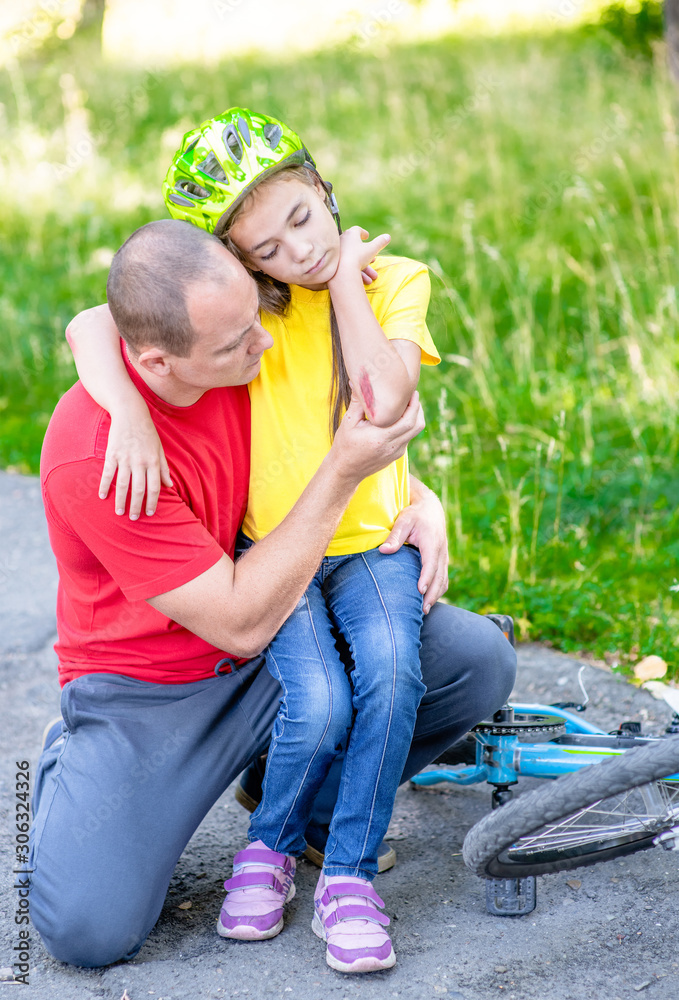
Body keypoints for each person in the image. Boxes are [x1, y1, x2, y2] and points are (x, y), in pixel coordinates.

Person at [67, 108, 443, 974]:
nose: (297, 254)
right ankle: (268, 848)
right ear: (237, 266)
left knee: (393, 675)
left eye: (303, 220)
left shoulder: (391, 281)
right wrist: (124, 403)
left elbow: (383, 407)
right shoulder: (249, 317)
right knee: (318, 704)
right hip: (275, 553)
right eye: (265, 249)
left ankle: (346, 871)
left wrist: (347, 281)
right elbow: (103, 314)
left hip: (372, 544)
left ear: (324, 188)